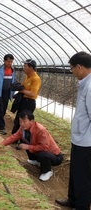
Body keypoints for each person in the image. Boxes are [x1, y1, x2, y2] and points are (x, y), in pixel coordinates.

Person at [56, 51, 91, 210]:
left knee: (83, 176)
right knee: (76, 172)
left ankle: (81, 206)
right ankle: (72, 199)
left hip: (87, 141)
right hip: (79, 138)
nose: (72, 71)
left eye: (72, 68)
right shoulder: (85, 82)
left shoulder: (90, 87)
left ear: (80, 67)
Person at [0, 110, 63, 181]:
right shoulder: (23, 129)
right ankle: (35, 160)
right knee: (25, 141)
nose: (22, 124)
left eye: (24, 121)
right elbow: (13, 137)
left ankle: (47, 171)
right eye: (20, 121)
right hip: (40, 151)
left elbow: (44, 147)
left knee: (42, 153)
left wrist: (28, 147)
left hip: (55, 157)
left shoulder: (41, 130)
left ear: (31, 121)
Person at [11, 59, 41, 134]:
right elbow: (24, 87)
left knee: (25, 122)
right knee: (18, 120)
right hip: (23, 101)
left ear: (31, 67)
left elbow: (33, 94)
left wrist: (21, 90)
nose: (23, 68)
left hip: (29, 103)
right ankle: (15, 138)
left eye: (25, 66)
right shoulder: (27, 77)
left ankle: (23, 140)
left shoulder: (36, 79)